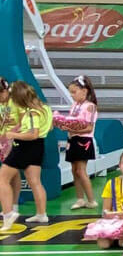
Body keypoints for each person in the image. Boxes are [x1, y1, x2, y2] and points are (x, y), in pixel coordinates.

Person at [0, 82, 53, 230]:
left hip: (24, 147)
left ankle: (8, 213)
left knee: (2, 179)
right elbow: (49, 127)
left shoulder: (31, 112)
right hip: (39, 146)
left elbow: (33, 134)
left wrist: (13, 135)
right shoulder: (45, 108)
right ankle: (41, 214)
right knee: (35, 181)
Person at [60, 75, 99, 210]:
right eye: (70, 92)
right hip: (72, 139)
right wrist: (64, 125)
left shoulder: (90, 107)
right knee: (74, 170)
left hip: (84, 140)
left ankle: (91, 200)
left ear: (84, 91)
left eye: (74, 92)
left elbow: (89, 128)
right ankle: (80, 199)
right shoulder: (74, 105)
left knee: (81, 170)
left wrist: (72, 129)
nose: (72, 95)